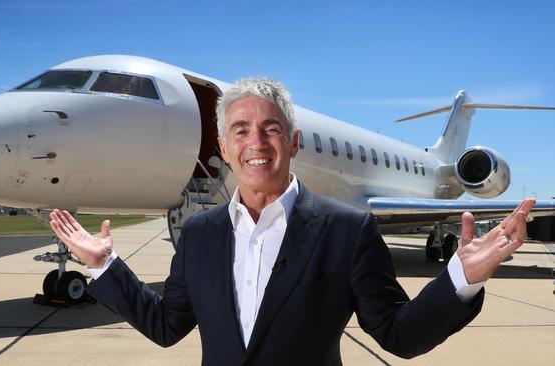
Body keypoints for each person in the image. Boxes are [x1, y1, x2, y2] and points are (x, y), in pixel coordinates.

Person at [49, 77, 535, 366]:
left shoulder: (348, 230)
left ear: (293, 142)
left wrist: (460, 279)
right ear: (223, 148)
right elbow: (166, 325)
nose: (256, 143)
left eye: (271, 129)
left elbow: (399, 334)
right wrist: (105, 266)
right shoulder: (200, 233)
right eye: (240, 131)